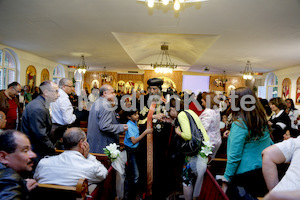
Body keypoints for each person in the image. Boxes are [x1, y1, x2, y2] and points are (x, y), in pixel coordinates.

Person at [221, 87, 272, 199]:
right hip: (262, 171)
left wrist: (226, 180)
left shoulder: (240, 123)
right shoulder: (260, 119)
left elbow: (234, 156)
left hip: (244, 175)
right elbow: (269, 143)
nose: (229, 101)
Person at [34, 127, 108, 186]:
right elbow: (104, 174)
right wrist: (88, 156)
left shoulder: (43, 163)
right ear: (81, 144)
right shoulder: (90, 167)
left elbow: (36, 178)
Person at [137, 78, 172, 199]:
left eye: (155, 89)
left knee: (159, 164)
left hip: (160, 140)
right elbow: (140, 119)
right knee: (145, 164)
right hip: (146, 138)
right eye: (150, 89)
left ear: (159, 90)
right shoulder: (143, 100)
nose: (152, 91)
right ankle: (145, 190)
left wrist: (165, 118)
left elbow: (170, 118)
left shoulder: (165, 101)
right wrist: (153, 116)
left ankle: (158, 191)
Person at [170, 99, 210, 200]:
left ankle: (188, 197)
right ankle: (190, 195)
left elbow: (187, 136)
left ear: (174, 108)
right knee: (193, 176)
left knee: (186, 177)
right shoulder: (190, 111)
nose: (170, 113)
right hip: (203, 145)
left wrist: (177, 132)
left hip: (194, 150)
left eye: (170, 110)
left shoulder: (181, 115)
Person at [21, 81, 60, 161]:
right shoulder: (38, 108)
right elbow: (40, 135)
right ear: (46, 92)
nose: (58, 95)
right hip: (35, 151)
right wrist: (53, 149)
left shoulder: (40, 104)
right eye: (56, 91)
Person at [87, 84, 128, 154]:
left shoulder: (97, 102)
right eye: (112, 93)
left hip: (95, 141)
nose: (114, 94)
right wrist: (121, 127)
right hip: (102, 143)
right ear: (104, 93)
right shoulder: (105, 105)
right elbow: (105, 126)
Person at [123, 110, 153, 200]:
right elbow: (134, 141)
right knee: (135, 174)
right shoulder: (129, 126)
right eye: (135, 114)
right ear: (129, 117)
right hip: (131, 151)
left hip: (136, 150)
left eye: (137, 113)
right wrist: (145, 132)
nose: (137, 115)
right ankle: (133, 194)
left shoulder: (134, 122)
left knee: (138, 172)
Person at [0, 130, 38, 199]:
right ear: (3, 157)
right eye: (25, 151)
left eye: (31, 150)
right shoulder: (8, 179)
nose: (33, 155)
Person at [50, 78, 76, 144]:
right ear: (64, 86)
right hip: (60, 130)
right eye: (70, 86)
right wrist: (74, 116)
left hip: (52, 127)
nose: (72, 88)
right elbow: (67, 120)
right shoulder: (64, 99)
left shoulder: (54, 95)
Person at [200, 91, 222, 159]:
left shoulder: (208, 112)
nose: (201, 100)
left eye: (203, 99)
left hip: (208, 142)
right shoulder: (216, 110)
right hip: (216, 140)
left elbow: (203, 129)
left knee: (203, 163)